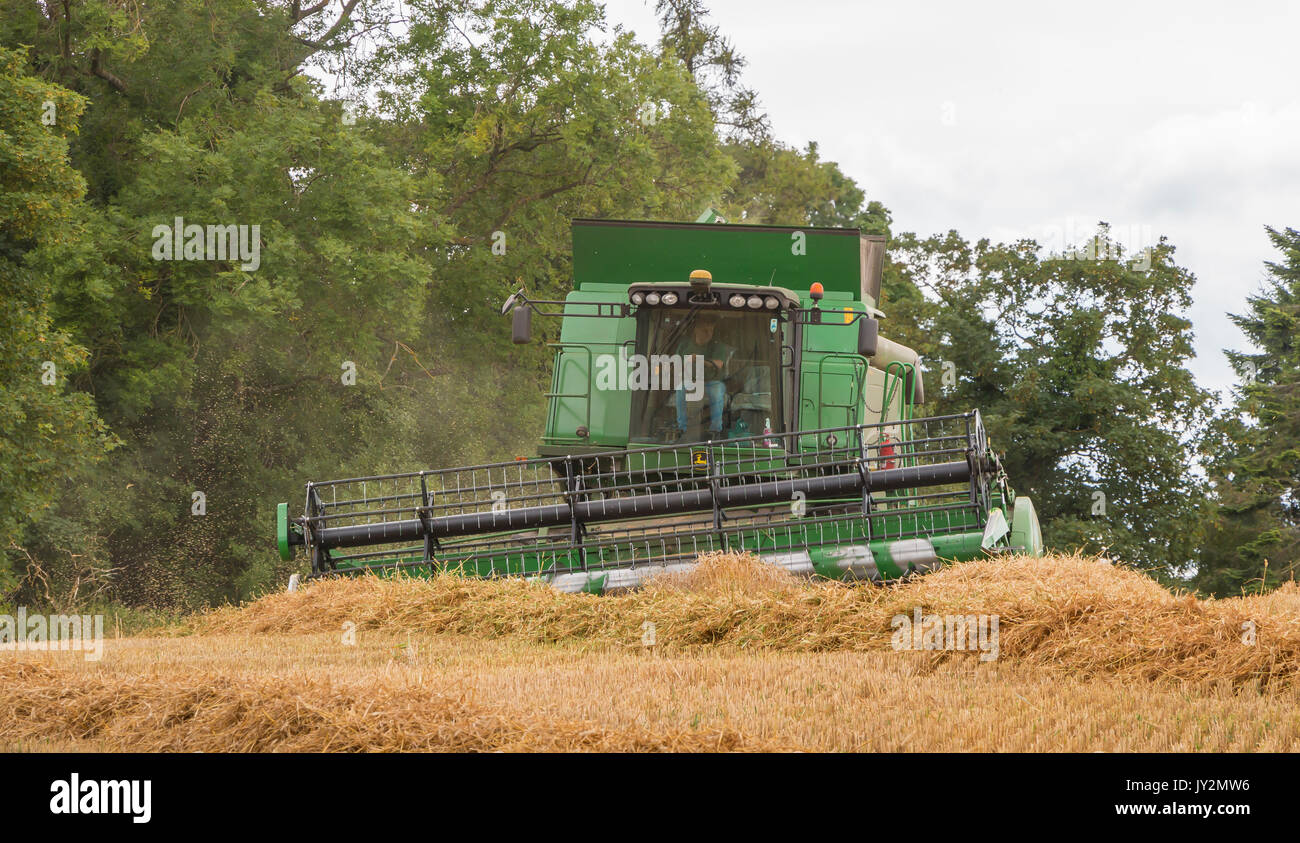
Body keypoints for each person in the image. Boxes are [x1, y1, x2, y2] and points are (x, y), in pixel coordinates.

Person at [673, 313, 730, 437]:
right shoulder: (685, 344)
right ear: (696, 330)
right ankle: (682, 428)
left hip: (712, 382)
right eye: (705, 330)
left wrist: (698, 360)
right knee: (680, 389)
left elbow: (719, 363)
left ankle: (715, 430)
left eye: (711, 330)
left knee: (716, 393)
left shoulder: (717, 345)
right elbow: (676, 363)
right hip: (691, 381)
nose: (709, 333)